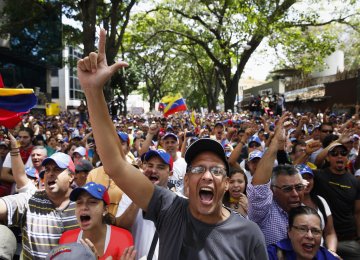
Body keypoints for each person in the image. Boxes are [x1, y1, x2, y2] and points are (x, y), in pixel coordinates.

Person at [77, 28, 267, 259]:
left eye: (216, 170)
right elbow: (115, 164)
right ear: (187, 182)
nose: (207, 176)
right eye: (198, 169)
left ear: (226, 184)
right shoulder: (169, 209)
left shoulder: (248, 233)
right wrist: (93, 90)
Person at [0, 152, 78, 259]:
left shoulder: (83, 203)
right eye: (47, 170)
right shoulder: (31, 200)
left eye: (57, 169)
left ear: (71, 176)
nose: (50, 173)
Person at [247, 112, 306, 245]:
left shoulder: (310, 215)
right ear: (272, 190)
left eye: (299, 187)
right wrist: (276, 142)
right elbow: (258, 188)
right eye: (287, 189)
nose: (295, 194)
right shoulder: (263, 213)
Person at [116, 149, 173, 260]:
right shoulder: (128, 196)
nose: (153, 170)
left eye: (160, 167)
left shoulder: (179, 201)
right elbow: (121, 227)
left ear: (170, 173)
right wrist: (139, 194)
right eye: (150, 166)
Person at [59, 182, 133, 259]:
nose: (84, 207)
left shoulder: (122, 237)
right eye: (79, 203)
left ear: (105, 209)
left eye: (92, 202)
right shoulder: (66, 239)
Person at [313, 142, 360, 259]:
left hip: (349, 239)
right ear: (328, 158)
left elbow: (357, 212)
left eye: (343, 153)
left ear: (347, 158)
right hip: (324, 239)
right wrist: (337, 140)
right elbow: (295, 169)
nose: (339, 156)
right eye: (334, 153)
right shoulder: (318, 176)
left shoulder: (355, 182)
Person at [295, 164, 338, 255]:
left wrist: (331, 252)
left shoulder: (320, 201)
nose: (307, 182)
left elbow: (330, 232)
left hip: (321, 253)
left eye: (309, 178)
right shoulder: (291, 204)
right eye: (302, 178)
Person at [267, 206, 337, 260]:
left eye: (315, 231)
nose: (310, 236)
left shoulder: (326, 257)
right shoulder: (272, 254)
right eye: (302, 229)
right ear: (289, 231)